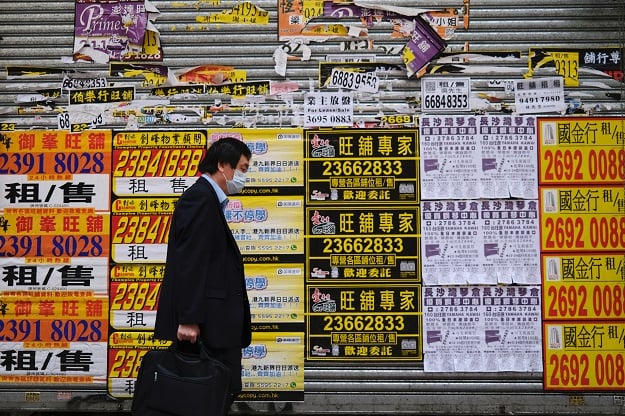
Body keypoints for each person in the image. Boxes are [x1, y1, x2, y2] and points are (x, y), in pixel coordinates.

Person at [154, 137, 253, 414]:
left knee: (215, 394)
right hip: (206, 328)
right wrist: (188, 319)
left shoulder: (208, 199)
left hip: (215, 326)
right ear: (222, 165)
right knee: (205, 396)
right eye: (242, 169)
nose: (243, 176)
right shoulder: (200, 198)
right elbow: (191, 263)